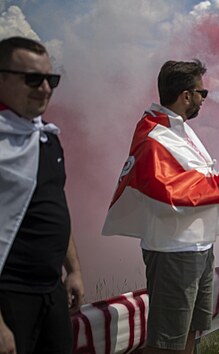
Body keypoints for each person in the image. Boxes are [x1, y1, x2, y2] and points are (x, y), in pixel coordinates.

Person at [102, 60, 219, 354]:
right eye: (201, 93)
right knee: (168, 340)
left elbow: (195, 175)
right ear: (185, 95)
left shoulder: (176, 129)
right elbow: (165, 187)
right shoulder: (155, 136)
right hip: (174, 250)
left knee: (192, 330)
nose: (203, 100)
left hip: (198, 246)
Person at [0, 36, 85, 354]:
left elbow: (56, 206)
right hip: (10, 293)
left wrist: (73, 269)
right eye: (32, 79)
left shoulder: (46, 137)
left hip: (51, 290)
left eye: (51, 79)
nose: (45, 89)